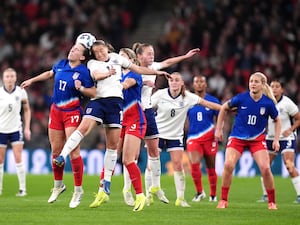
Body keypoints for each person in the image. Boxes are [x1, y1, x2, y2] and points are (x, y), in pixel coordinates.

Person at [52, 40, 169, 209]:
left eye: (102, 51)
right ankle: (63, 156)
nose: (100, 54)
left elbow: (136, 73)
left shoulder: (123, 65)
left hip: (119, 109)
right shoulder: (93, 63)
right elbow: (96, 75)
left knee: (116, 150)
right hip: (99, 102)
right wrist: (109, 75)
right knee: (85, 129)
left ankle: (111, 185)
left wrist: (157, 73)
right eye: (97, 51)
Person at [21, 35, 97, 208]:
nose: (73, 49)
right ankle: (58, 186)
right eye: (73, 47)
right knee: (56, 152)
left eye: (77, 49)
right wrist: (32, 80)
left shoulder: (84, 72)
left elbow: (94, 93)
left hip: (72, 112)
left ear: (83, 57)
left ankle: (78, 190)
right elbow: (49, 73)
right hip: (56, 111)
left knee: (73, 152)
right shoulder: (62, 64)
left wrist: (82, 88)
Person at [132, 42, 201, 205]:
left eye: (153, 53)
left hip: (147, 112)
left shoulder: (154, 66)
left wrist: (185, 56)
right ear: (139, 56)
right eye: (149, 53)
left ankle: (158, 191)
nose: (152, 56)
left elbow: (168, 62)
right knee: (134, 157)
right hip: (134, 111)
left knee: (154, 156)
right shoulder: (132, 68)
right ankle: (136, 192)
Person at [151, 72, 221, 207]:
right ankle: (150, 193)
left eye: (177, 80)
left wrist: (227, 108)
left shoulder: (189, 97)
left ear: (182, 83)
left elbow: (210, 105)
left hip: (178, 136)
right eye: (171, 80)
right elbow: (146, 107)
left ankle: (182, 198)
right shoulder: (160, 94)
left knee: (180, 165)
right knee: (151, 164)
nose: (174, 82)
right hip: (160, 133)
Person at [215, 72, 281, 210]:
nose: (253, 84)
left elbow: (277, 120)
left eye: (256, 81)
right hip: (237, 138)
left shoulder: (268, 103)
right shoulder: (241, 98)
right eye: (251, 81)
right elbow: (223, 108)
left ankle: (272, 202)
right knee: (228, 165)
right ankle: (223, 200)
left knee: (265, 168)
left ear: (263, 85)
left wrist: (276, 139)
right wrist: (218, 129)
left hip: (257, 140)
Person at [258, 79, 300, 203]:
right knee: (265, 167)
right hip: (270, 138)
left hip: (286, 138)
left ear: (282, 89)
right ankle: (266, 195)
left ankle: (299, 194)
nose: (274, 89)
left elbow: (298, 119)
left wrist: (290, 129)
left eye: (277, 87)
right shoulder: (265, 101)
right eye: (272, 86)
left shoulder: (287, 103)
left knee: (289, 165)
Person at [117, 48, 147, 211]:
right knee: (115, 155)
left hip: (136, 119)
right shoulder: (118, 75)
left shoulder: (134, 74)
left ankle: (140, 194)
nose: (118, 59)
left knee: (128, 159)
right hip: (122, 120)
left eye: (122, 56)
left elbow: (125, 85)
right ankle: (103, 191)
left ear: (131, 59)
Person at [186, 75, 220, 202]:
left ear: (206, 84)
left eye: (202, 82)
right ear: (193, 85)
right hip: (193, 137)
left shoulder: (213, 100)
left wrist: (219, 129)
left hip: (210, 138)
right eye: (196, 82)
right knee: (194, 165)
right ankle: (200, 192)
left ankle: (213, 195)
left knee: (211, 167)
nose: (199, 84)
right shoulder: (188, 101)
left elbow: (221, 115)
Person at [0, 68, 31, 197]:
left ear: (16, 77)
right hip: (1, 129)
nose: (10, 78)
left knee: (18, 157)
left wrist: (27, 127)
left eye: (12, 76)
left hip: (15, 128)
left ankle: (22, 189)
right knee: (0, 160)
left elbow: (27, 109)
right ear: (3, 78)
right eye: (7, 76)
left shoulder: (21, 92)